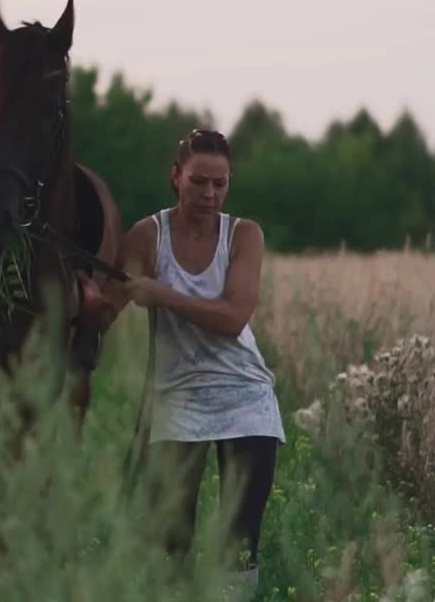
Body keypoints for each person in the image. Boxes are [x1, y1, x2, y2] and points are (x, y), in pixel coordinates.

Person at [102, 128, 285, 598]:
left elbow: (232, 317)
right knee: (170, 541)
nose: (210, 194)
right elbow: (106, 306)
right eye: (199, 181)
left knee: (239, 543)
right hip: (176, 398)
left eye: (220, 184)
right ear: (176, 177)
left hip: (245, 397)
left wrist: (161, 293)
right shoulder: (148, 235)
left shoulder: (244, 234)